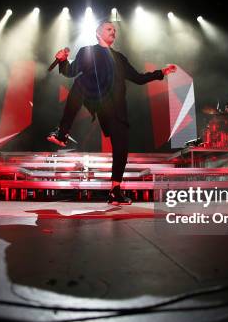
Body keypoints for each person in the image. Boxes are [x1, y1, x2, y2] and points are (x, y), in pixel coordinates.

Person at [46, 20, 176, 205]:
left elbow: (138, 78)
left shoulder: (119, 58)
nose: (113, 32)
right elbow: (70, 71)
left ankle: (115, 191)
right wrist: (63, 61)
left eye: (114, 30)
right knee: (80, 83)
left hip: (116, 108)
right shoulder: (87, 52)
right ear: (98, 33)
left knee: (121, 146)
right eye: (109, 29)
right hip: (96, 100)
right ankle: (62, 132)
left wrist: (160, 72)